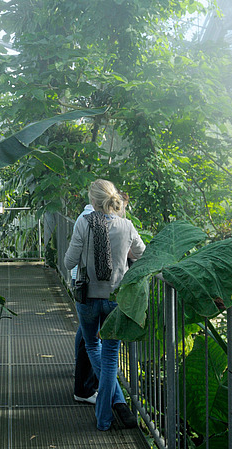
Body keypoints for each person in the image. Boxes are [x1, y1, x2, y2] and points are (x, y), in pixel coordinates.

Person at [64, 179, 145, 431]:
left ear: (93, 201)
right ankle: (104, 420)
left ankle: (110, 412)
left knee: (92, 346)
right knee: (110, 357)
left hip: (87, 297)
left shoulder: (83, 222)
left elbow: (69, 262)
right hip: (115, 300)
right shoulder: (127, 226)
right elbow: (142, 254)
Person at [71, 202, 98, 405]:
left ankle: (82, 379)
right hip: (91, 284)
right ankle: (84, 388)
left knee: (85, 331)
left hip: (80, 281)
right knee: (91, 341)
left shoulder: (83, 217)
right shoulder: (93, 220)